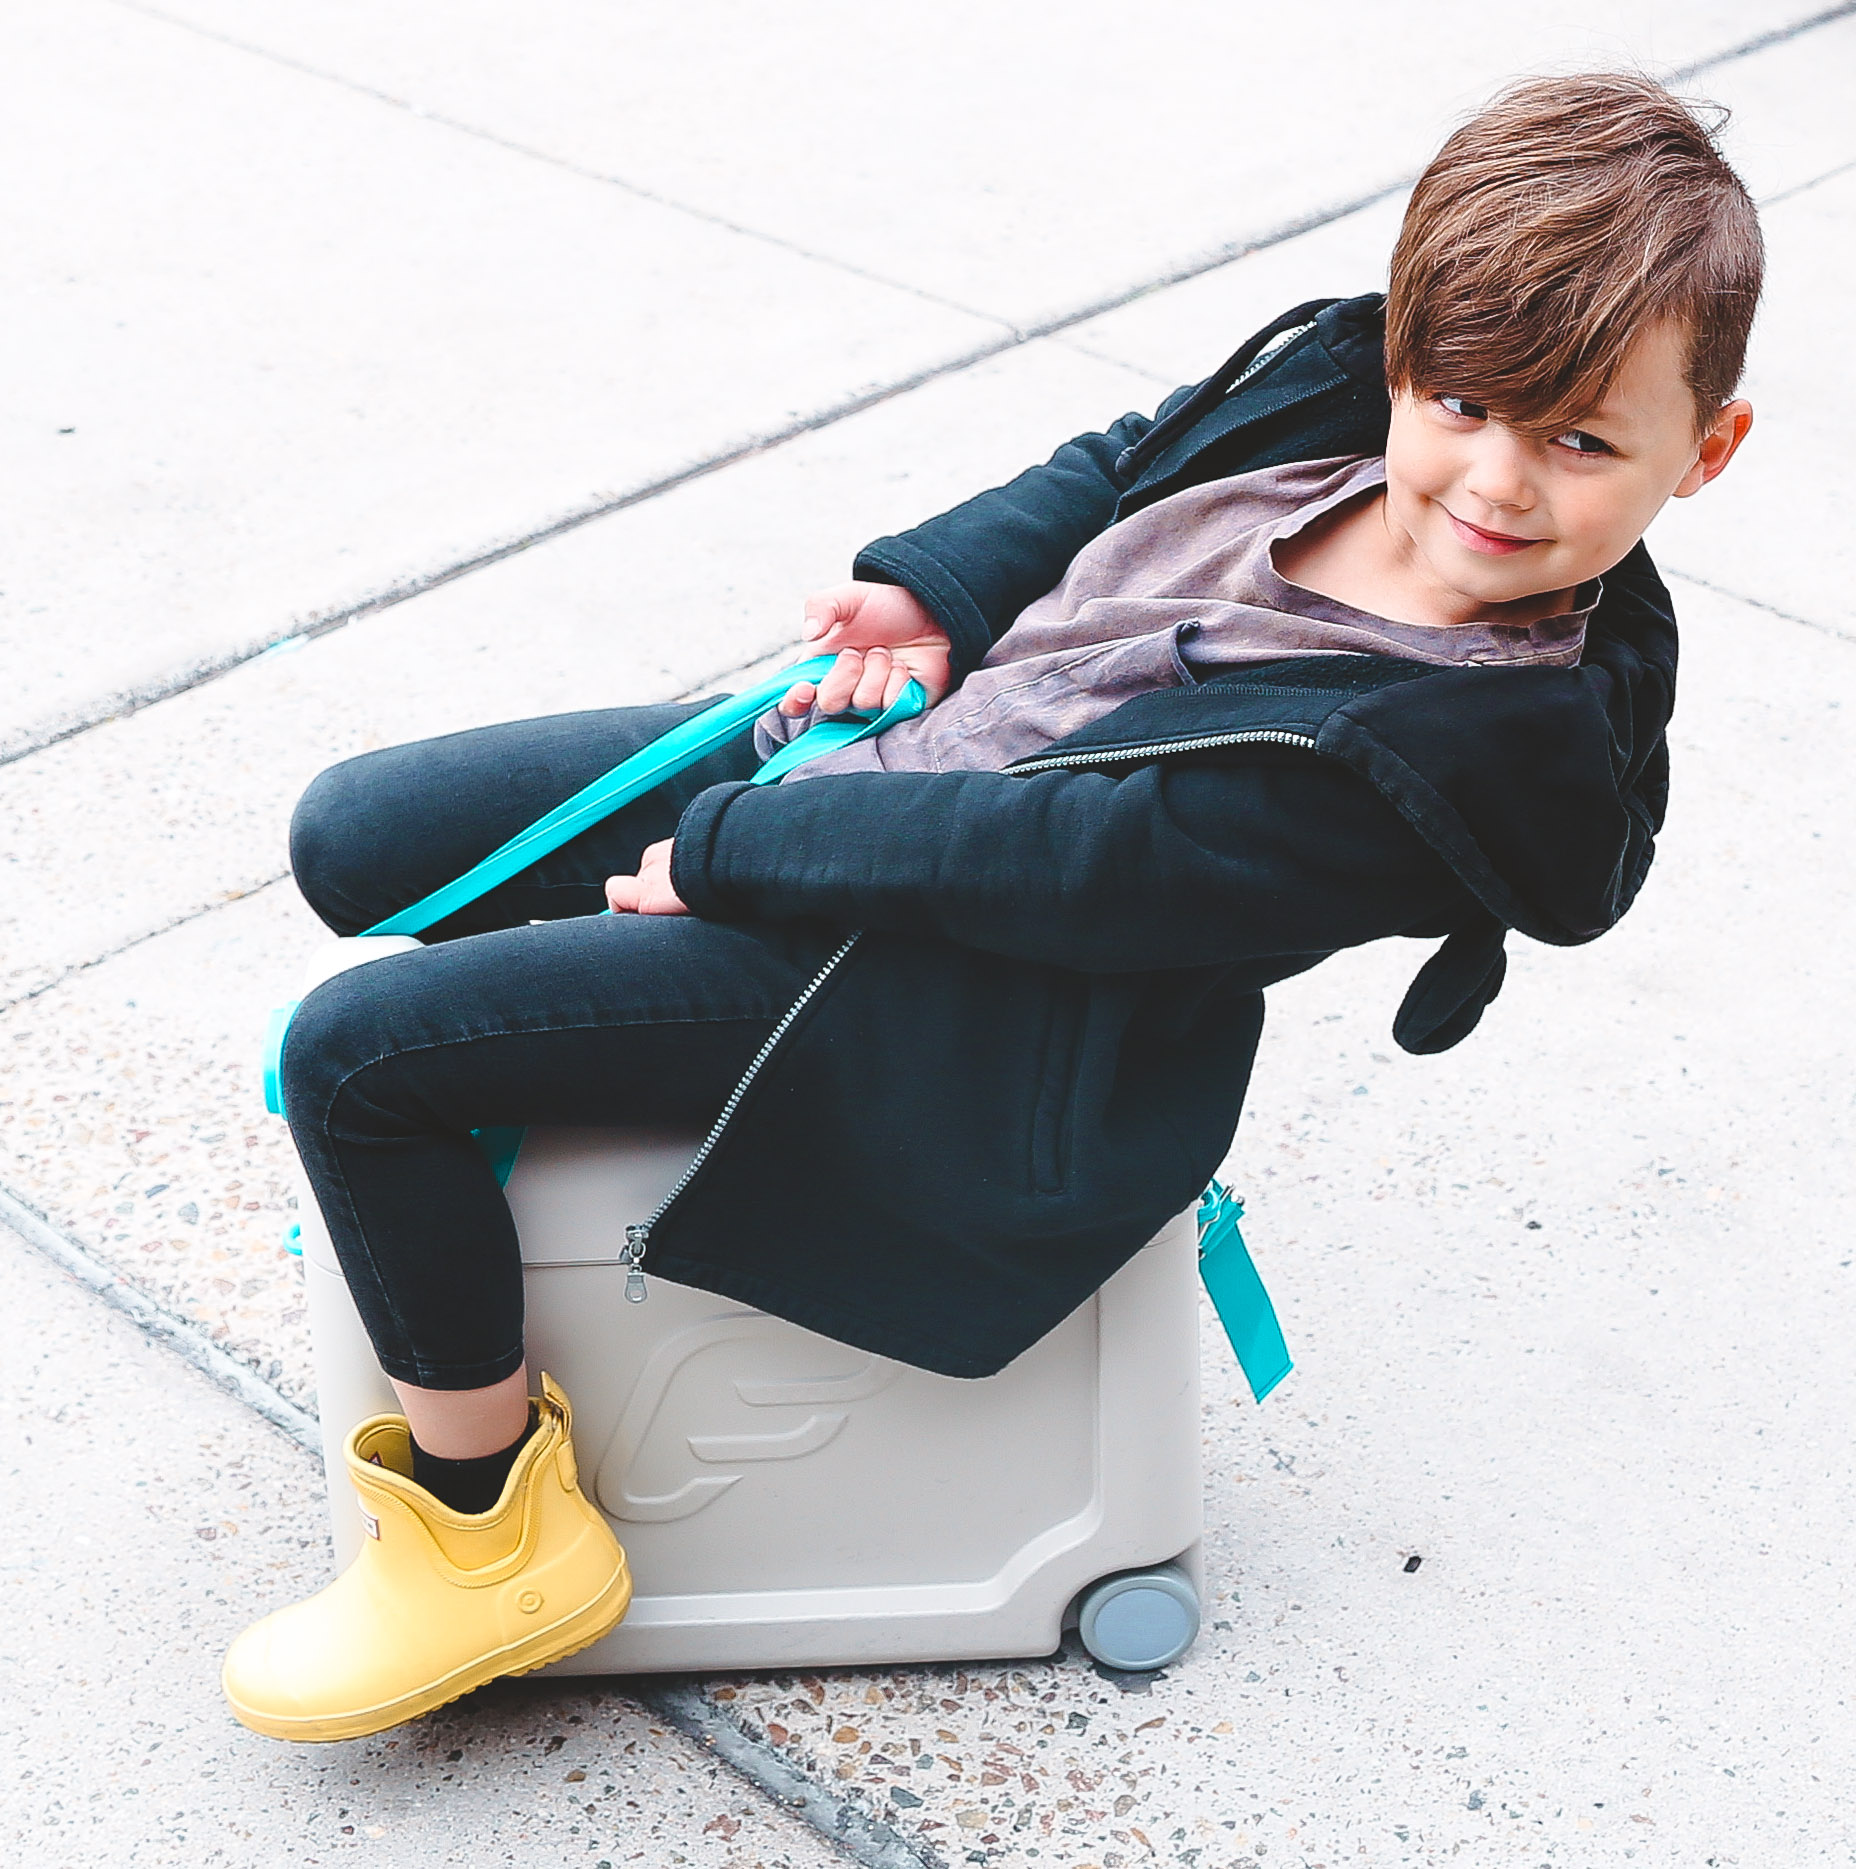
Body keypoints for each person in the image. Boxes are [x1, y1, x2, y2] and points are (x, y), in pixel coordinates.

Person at [222, 71, 1761, 1740]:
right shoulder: (1331, 379)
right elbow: (1118, 474)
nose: (1497, 479)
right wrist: (939, 588)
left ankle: (482, 1530)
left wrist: (734, 857)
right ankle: (516, 1134)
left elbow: (1079, 874)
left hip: (944, 993)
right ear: (1406, 349)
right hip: (869, 777)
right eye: (1459, 403)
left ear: (1708, 449)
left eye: (1580, 441)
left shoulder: (1458, 755)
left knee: (357, 1062)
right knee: (358, 836)